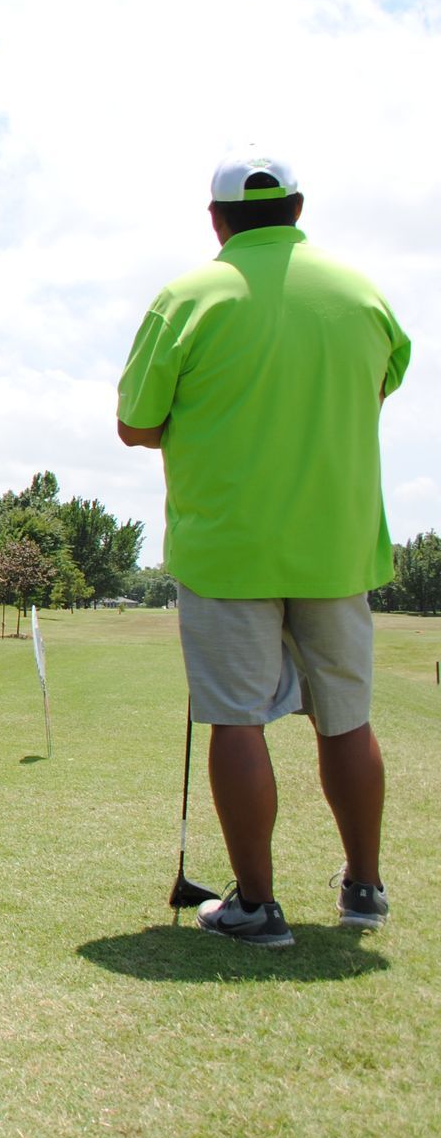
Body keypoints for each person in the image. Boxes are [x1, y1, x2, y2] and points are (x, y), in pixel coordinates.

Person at [116, 147, 411, 948]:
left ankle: (256, 905)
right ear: (299, 208)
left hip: (228, 548)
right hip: (337, 544)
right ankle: (364, 888)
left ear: (217, 221)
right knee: (346, 720)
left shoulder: (187, 297)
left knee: (236, 719)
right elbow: (384, 382)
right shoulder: (362, 294)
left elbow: (136, 423)